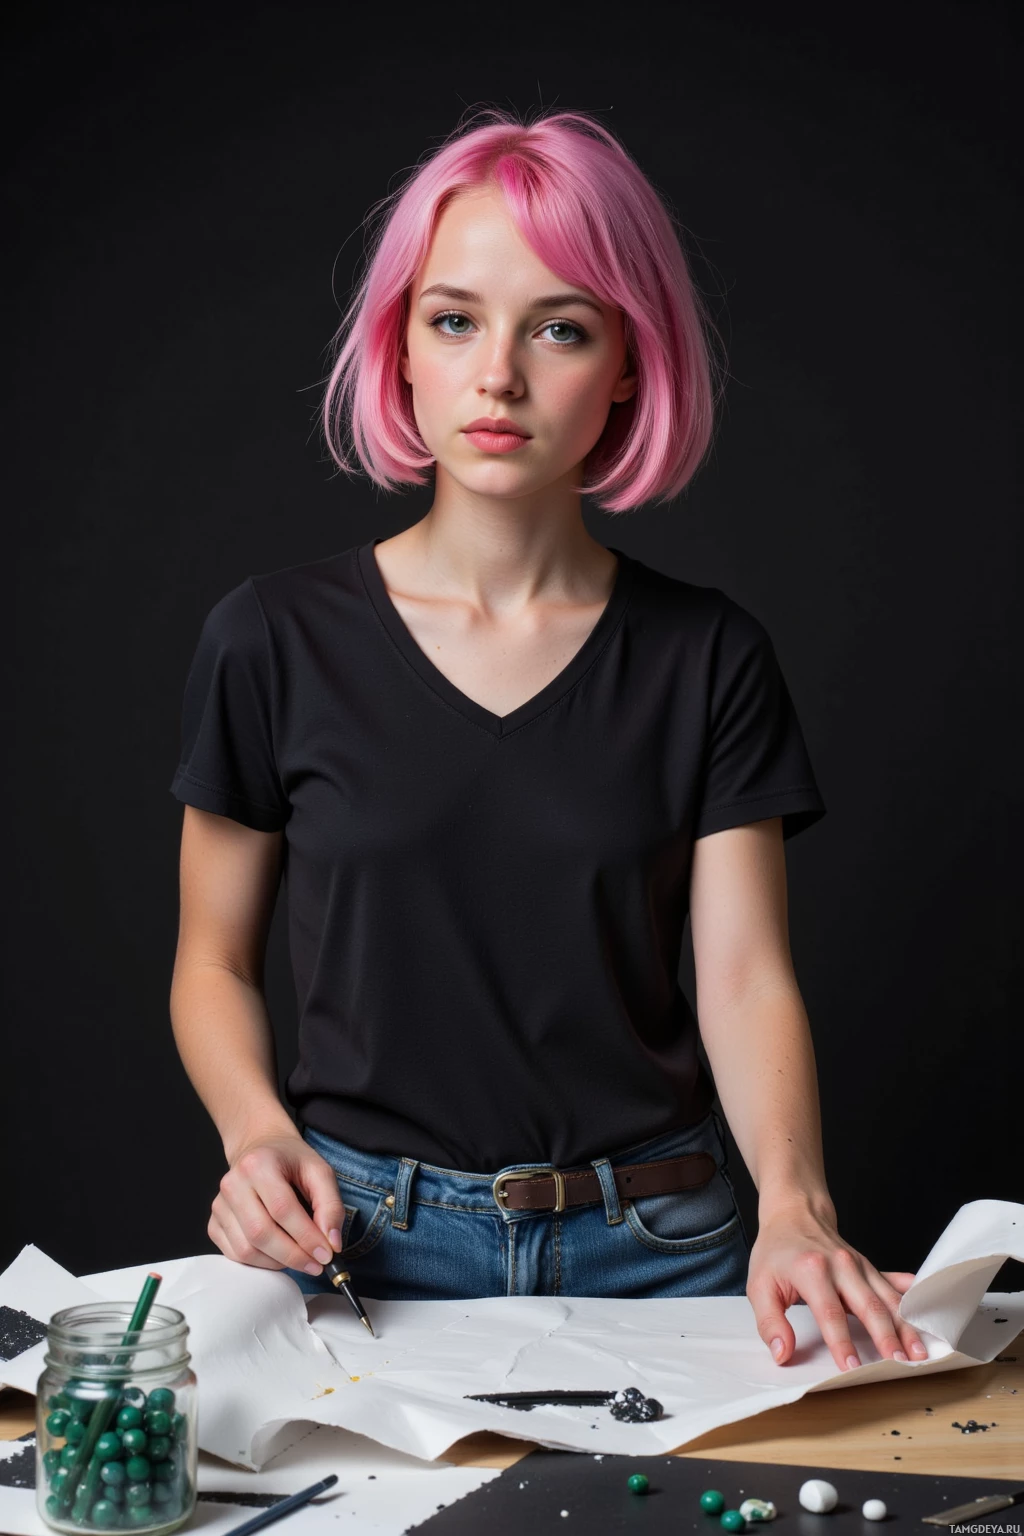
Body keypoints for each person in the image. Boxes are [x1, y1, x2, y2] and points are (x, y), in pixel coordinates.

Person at [168, 107, 929, 1375]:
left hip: (666, 1247)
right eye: (454, 319)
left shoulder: (708, 656)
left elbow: (743, 977)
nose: (499, 376)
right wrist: (257, 1140)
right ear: (398, 347)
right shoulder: (268, 639)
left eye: (559, 328)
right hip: (362, 1250)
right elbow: (210, 962)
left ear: (629, 363)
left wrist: (795, 1206)